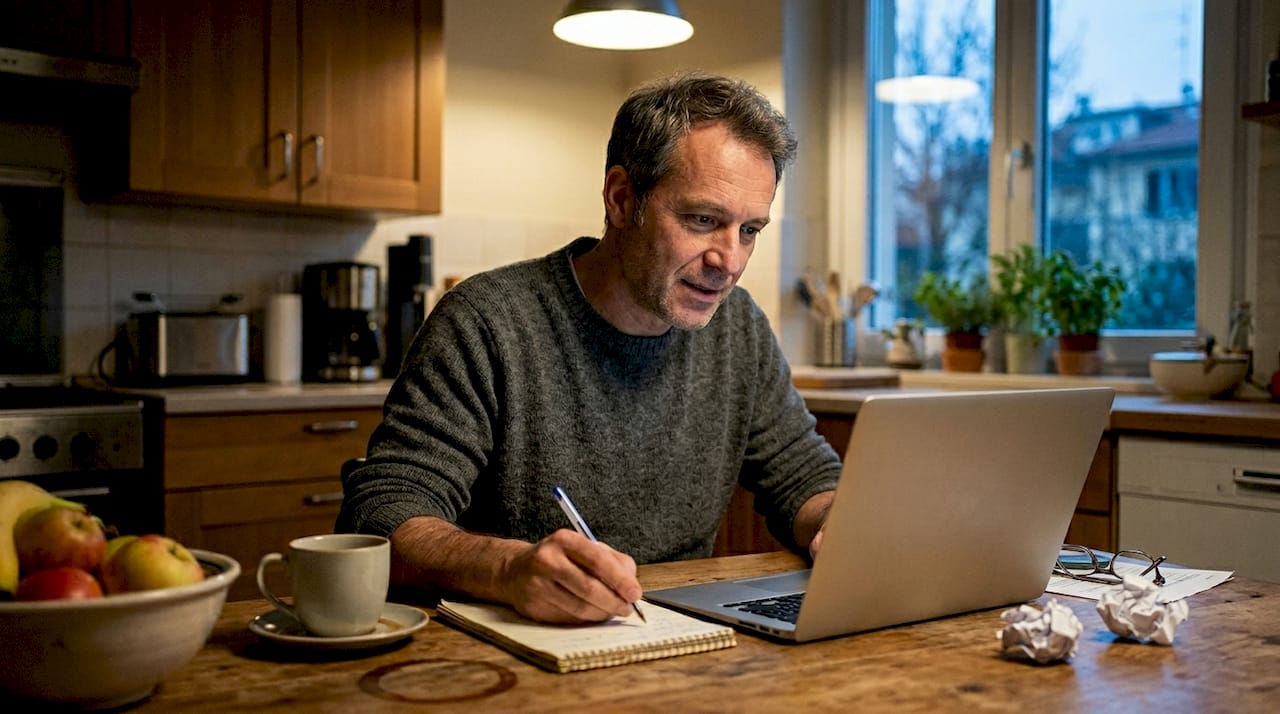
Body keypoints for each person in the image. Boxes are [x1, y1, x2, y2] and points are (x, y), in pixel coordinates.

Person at [336, 71, 841, 625]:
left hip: (681, 636)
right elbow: (381, 518)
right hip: (511, 644)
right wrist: (507, 569)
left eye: (749, 230)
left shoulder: (737, 327)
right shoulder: (488, 322)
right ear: (622, 199)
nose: (730, 260)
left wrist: (834, 520)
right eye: (703, 220)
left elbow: (804, 478)